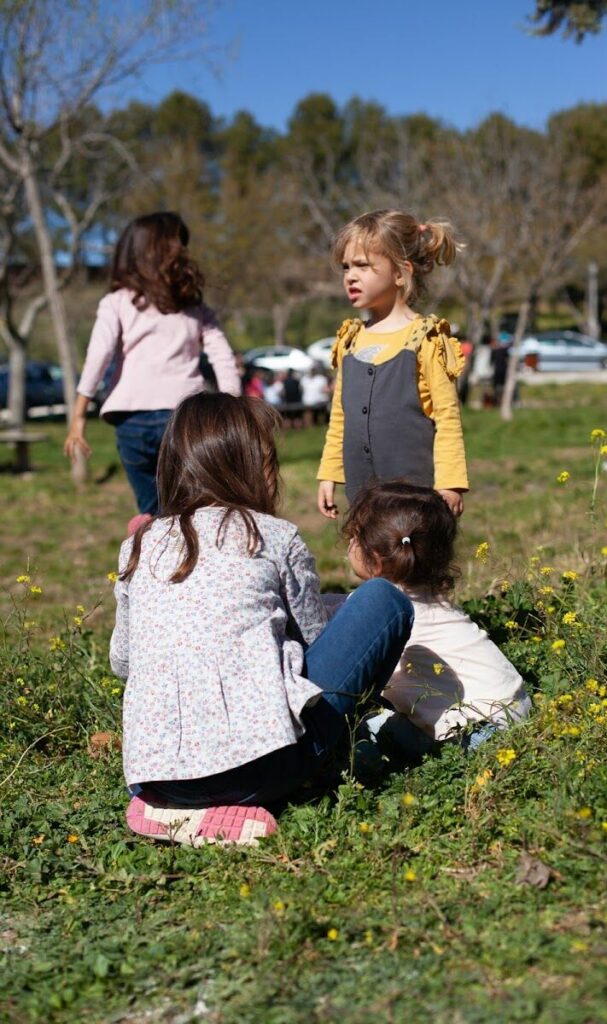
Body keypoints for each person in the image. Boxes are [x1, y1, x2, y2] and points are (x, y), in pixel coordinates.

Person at [112, 392, 413, 847]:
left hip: (153, 776)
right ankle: (340, 751)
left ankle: (173, 808)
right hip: (265, 769)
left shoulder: (139, 544)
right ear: (252, 466)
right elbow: (314, 640)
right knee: (383, 600)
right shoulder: (273, 536)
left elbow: (123, 661)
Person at [64, 212, 241, 519]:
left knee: (152, 513)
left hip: (132, 423)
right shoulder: (194, 308)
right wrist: (232, 406)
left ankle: (149, 540)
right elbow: (223, 357)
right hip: (186, 420)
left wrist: (79, 415)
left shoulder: (117, 301)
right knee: (194, 511)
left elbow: (98, 355)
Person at [341, 481, 530, 755]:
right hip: (514, 707)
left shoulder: (378, 607)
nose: (349, 543)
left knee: (364, 728)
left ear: (377, 559)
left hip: (476, 732)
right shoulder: (428, 593)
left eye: (355, 537)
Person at [316, 209, 469, 520]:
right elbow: (340, 416)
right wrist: (329, 473)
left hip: (415, 498)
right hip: (362, 495)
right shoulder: (350, 340)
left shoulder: (425, 338)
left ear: (401, 273)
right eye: (346, 267)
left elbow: (447, 416)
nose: (350, 276)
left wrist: (450, 483)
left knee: (410, 550)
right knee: (365, 551)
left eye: (362, 265)